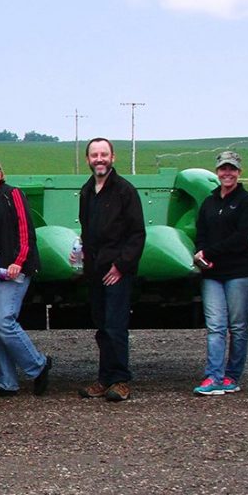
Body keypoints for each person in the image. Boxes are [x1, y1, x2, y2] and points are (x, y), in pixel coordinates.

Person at [0, 154, 52, 399]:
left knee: (4, 321)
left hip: (12, 267)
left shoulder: (13, 194)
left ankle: (38, 365)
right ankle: (7, 381)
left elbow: (26, 230)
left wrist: (18, 262)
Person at [76, 138, 145, 403]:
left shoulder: (125, 191)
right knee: (102, 327)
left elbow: (137, 233)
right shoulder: (87, 191)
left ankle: (120, 380)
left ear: (113, 157)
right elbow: (86, 229)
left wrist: (121, 266)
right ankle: (104, 379)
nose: (99, 159)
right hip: (95, 270)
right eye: (94, 155)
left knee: (116, 327)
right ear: (88, 160)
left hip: (117, 271)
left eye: (104, 154)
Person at [191, 151, 248, 396]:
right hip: (212, 275)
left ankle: (233, 375)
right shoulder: (209, 202)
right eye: (223, 169)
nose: (227, 173)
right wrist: (201, 251)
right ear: (217, 172)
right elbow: (201, 231)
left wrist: (209, 251)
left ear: (239, 172)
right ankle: (214, 376)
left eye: (232, 169)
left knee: (238, 326)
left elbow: (241, 238)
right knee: (215, 326)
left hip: (240, 273)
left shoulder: (247, 201)